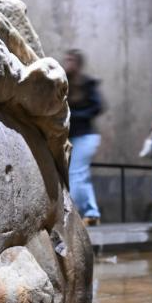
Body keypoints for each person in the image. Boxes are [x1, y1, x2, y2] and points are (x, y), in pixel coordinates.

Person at [63, 49, 104, 225]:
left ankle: (75, 213)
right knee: (81, 175)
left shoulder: (86, 83)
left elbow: (98, 107)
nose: (67, 63)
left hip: (86, 136)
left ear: (78, 63)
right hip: (72, 136)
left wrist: (74, 115)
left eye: (71, 60)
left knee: (76, 173)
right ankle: (92, 213)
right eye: (67, 59)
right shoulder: (64, 81)